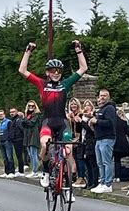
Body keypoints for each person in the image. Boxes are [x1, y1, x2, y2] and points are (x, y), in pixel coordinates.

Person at [18, 40, 88, 189]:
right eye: (52, 71)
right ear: (47, 73)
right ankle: (46, 171)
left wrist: (78, 50)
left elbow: (83, 68)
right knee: (45, 144)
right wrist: (28, 51)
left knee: (68, 151)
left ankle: (69, 183)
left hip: (62, 123)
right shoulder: (42, 84)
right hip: (48, 122)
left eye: (59, 71)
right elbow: (22, 70)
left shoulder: (65, 84)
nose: (56, 73)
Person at [89, 89, 117, 194]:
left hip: (107, 138)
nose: (102, 97)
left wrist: (97, 121)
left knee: (106, 162)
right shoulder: (101, 109)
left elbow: (110, 122)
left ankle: (108, 184)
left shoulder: (109, 108)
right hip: (99, 138)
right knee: (100, 162)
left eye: (105, 96)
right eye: (101, 95)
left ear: (108, 97)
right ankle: (102, 182)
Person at [68, 98, 86, 189]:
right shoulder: (70, 116)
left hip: (80, 139)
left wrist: (76, 120)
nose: (73, 106)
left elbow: (80, 127)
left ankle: (82, 177)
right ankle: (78, 176)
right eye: (72, 104)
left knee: (80, 159)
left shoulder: (81, 114)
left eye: (75, 104)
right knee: (75, 158)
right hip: (72, 139)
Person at [81, 99, 98, 189]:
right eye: (85, 105)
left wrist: (82, 122)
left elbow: (91, 130)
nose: (87, 107)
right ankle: (89, 182)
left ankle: (94, 182)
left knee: (93, 163)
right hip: (84, 141)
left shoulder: (93, 117)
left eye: (89, 105)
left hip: (91, 141)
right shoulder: (83, 117)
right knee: (87, 163)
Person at [22, 100, 42, 178]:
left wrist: (25, 119)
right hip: (27, 135)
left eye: (32, 106)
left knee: (34, 153)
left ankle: (35, 171)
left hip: (34, 135)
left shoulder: (36, 115)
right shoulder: (27, 115)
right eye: (29, 106)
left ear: (35, 107)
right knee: (30, 154)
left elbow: (31, 123)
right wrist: (24, 119)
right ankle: (35, 169)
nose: (31, 107)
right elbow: (24, 124)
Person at [113, 106, 129, 182]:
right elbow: (127, 131)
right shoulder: (123, 121)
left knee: (116, 160)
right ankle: (122, 175)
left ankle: (117, 176)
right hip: (122, 142)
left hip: (115, 142)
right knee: (120, 159)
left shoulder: (113, 120)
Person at [0, 109, 15, 178]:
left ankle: (11, 171)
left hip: (7, 141)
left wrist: (9, 139)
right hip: (1, 141)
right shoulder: (0, 123)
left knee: (9, 156)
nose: (1, 116)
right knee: (4, 157)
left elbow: (11, 131)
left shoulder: (8, 122)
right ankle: (6, 171)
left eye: (2, 114)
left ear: (4, 115)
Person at [9, 107, 25, 176]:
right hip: (14, 139)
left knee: (19, 156)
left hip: (19, 139)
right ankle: (20, 169)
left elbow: (22, 129)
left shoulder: (18, 120)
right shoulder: (12, 120)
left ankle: (21, 171)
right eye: (11, 112)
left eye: (13, 112)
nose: (12, 113)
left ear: (17, 112)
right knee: (18, 155)